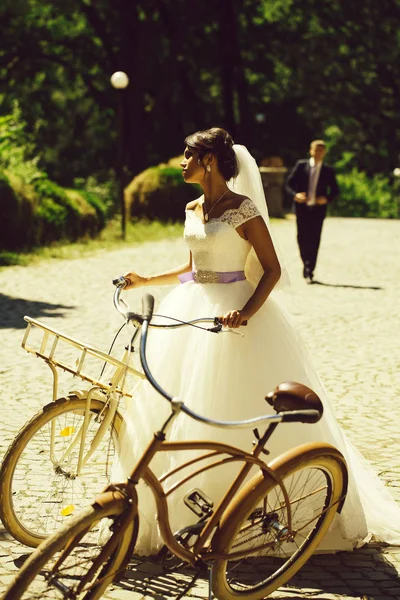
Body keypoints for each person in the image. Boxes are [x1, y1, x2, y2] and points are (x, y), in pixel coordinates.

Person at [112, 127, 400, 555]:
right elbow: (193, 269)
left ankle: (247, 511)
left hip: (234, 313)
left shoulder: (242, 209)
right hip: (192, 307)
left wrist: (246, 312)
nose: (181, 161)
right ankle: (177, 511)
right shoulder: (193, 207)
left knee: (227, 406)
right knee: (170, 408)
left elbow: (272, 269)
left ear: (209, 161)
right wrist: (146, 279)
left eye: (188, 155)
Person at [286, 139, 339, 282]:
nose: (318, 153)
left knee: (314, 239)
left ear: (325, 153)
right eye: (316, 150)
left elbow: (335, 190)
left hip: (318, 210)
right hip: (302, 209)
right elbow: (289, 184)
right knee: (302, 238)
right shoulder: (301, 166)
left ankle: (310, 269)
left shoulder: (328, 170)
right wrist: (295, 195)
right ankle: (305, 263)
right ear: (311, 151)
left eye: (321, 151)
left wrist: (326, 199)